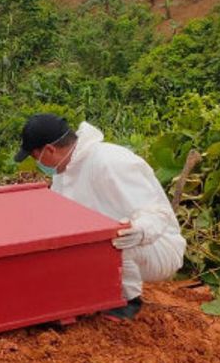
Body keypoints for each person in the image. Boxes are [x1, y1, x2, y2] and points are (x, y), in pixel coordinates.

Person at [14, 113, 185, 320]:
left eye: (36, 157)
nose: (38, 163)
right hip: (113, 246)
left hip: (156, 245)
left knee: (114, 236)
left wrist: (138, 230)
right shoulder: (64, 174)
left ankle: (127, 301)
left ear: (49, 150)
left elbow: (158, 213)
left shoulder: (110, 161)